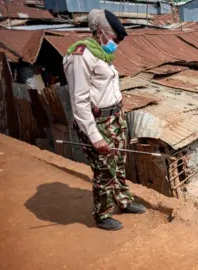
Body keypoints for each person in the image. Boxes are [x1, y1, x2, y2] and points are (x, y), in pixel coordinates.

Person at [63, 9, 146, 231]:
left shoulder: (103, 54)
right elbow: (79, 102)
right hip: (98, 123)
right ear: (100, 33)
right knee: (104, 170)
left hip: (115, 119)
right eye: (114, 39)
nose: (116, 44)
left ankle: (124, 201)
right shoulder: (80, 57)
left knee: (118, 165)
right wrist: (94, 136)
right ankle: (103, 214)